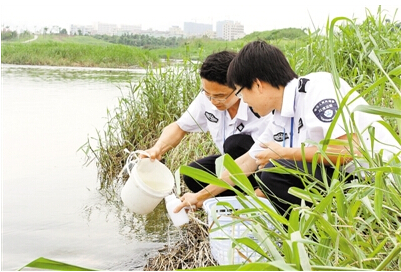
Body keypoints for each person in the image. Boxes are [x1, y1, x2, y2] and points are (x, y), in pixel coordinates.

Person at [174, 40, 400, 217]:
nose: (244, 100)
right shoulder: (280, 117)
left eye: (242, 93)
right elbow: (246, 162)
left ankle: (315, 232)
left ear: (258, 85)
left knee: (274, 171)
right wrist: (199, 197)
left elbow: (348, 152)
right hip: (345, 184)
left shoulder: (317, 89)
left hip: (378, 184)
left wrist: (283, 153)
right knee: (269, 172)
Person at [142, 50, 270, 196]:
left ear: (239, 86)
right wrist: (157, 149)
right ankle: (233, 199)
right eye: (208, 94)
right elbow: (180, 126)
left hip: (260, 167)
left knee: (235, 144)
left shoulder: (260, 107)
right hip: (231, 163)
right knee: (193, 175)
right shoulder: (207, 98)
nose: (213, 102)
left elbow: (266, 158)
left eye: (220, 96)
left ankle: (256, 196)